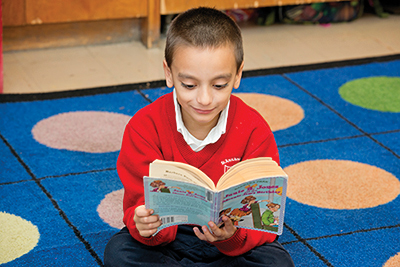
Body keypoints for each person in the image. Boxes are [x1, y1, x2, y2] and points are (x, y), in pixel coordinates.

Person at [104, 7, 294, 267]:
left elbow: (264, 216)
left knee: (276, 262)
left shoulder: (254, 129)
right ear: (169, 73)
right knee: (120, 253)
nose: (204, 99)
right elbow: (138, 206)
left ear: (238, 75)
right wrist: (145, 224)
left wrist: (232, 236)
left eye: (219, 85)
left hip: (229, 240)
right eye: (190, 85)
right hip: (170, 238)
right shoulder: (144, 126)